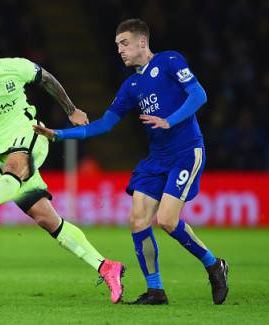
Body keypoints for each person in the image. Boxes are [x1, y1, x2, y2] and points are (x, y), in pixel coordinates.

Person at [33, 19, 229, 305]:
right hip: (156, 158)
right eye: (116, 46)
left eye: (124, 43)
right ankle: (156, 291)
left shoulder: (171, 60)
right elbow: (103, 125)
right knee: (137, 220)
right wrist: (58, 134)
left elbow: (199, 94)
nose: (120, 50)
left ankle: (214, 265)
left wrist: (169, 120)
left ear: (141, 42)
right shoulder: (131, 85)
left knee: (166, 220)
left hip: (186, 151)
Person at [0, 38, 125, 303]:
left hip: (30, 134)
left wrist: (71, 110)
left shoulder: (17, 68)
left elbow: (46, 78)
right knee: (48, 220)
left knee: (14, 170)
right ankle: (106, 266)